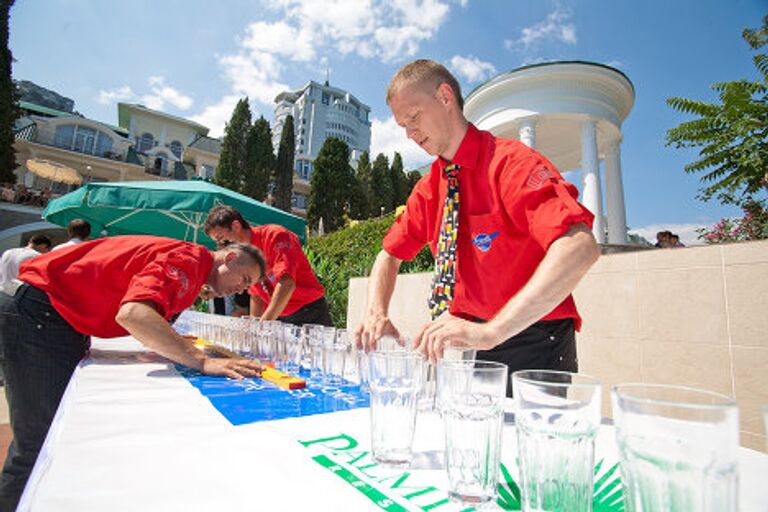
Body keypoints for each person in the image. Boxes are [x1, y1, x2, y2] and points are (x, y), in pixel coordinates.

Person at [355, 59, 600, 379]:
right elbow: (388, 256)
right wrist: (377, 313)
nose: (410, 134)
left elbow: (580, 248)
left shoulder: (511, 163)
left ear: (445, 97)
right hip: (479, 339)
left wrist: (493, 331)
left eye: (414, 118)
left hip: (536, 337)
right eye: (404, 126)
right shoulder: (429, 188)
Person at [0, 235, 266, 510]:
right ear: (230, 259)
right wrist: (201, 361)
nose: (239, 290)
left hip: (50, 313)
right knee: (38, 443)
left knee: (50, 434)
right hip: (40, 312)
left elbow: (144, 315)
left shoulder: (190, 263)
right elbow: (133, 313)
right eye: (244, 279)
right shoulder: (188, 260)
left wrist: (169, 338)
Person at [203, 206, 333, 326]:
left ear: (236, 226)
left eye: (223, 239)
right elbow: (256, 295)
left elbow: (286, 283)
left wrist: (264, 324)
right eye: (219, 243)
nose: (223, 246)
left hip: (309, 311)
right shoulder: (243, 257)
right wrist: (254, 327)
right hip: (278, 315)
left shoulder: (275, 236)